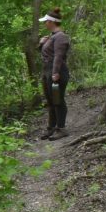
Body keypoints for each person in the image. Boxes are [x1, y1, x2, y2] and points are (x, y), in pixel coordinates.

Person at [38, 8, 70, 140]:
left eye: (46, 21)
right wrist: (41, 44)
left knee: (58, 100)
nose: (45, 24)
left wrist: (55, 73)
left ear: (51, 22)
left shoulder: (61, 37)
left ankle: (61, 128)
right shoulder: (51, 37)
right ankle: (51, 127)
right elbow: (46, 53)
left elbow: (58, 56)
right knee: (50, 101)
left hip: (56, 71)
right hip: (47, 71)